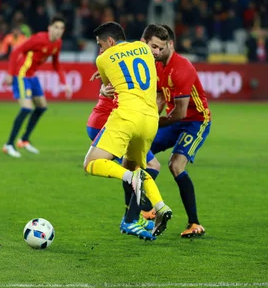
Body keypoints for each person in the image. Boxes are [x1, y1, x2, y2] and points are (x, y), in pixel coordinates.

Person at [83, 22, 172, 238]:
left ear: (110, 42)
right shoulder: (144, 49)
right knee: (141, 168)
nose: (100, 49)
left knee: (91, 164)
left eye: (101, 44)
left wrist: (103, 82)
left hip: (125, 117)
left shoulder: (103, 59)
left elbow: (110, 85)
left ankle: (130, 185)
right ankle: (160, 207)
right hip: (150, 120)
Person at [146, 24, 211, 238]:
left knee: (175, 165)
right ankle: (148, 208)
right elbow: (160, 97)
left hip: (196, 120)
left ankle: (194, 223)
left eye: (160, 47)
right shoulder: (157, 66)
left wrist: (154, 124)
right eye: (153, 47)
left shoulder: (182, 67)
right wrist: (151, 119)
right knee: (142, 151)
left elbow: (182, 113)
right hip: (173, 119)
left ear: (171, 44)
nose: (156, 51)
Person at [2, 16, 72, 157]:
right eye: (56, 27)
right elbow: (16, 51)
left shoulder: (57, 43)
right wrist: (10, 73)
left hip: (32, 76)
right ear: (50, 28)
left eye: (61, 28)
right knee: (26, 108)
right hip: (21, 74)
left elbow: (56, 64)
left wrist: (65, 83)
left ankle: (24, 140)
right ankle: (9, 144)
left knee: (41, 107)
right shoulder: (38, 39)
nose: (58, 31)